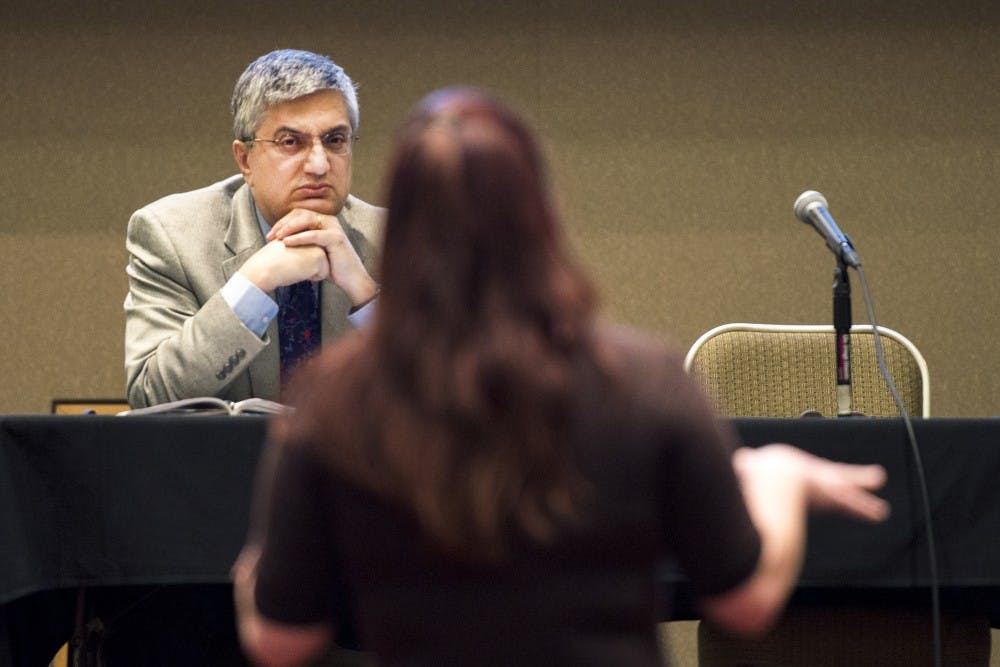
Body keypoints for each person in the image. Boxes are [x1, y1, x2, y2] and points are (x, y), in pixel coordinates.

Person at [232, 88, 890, 667]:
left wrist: (256, 567)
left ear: (401, 225)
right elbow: (746, 601)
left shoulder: (336, 402)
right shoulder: (642, 381)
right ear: (539, 216)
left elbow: (280, 641)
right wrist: (778, 476)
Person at [124, 49, 384, 408]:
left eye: (335, 140)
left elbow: (445, 400)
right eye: (291, 142)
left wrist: (366, 295)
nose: (319, 164)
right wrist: (252, 285)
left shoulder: (393, 239)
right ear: (245, 159)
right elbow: (152, 395)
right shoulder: (172, 235)